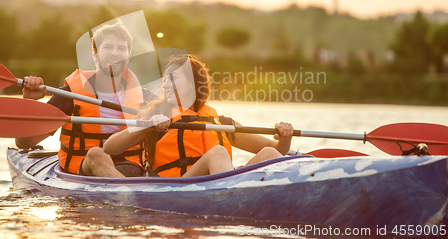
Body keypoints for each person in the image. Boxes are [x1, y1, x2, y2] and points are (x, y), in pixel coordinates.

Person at [103, 55, 294, 177]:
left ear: (194, 84)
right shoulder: (157, 116)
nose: (165, 86)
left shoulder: (220, 122)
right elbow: (109, 147)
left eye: (173, 79)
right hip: (179, 188)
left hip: (219, 184)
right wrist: (146, 126)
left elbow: (275, 149)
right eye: (164, 80)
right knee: (218, 153)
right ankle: (230, 196)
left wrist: (285, 137)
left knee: (269, 154)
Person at [15, 21, 157, 177]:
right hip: (83, 170)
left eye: (121, 48)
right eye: (108, 47)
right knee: (96, 154)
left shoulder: (147, 99)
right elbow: (25, 143)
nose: (115, 53)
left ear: (128, 56)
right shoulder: (70, 96)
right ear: (95, 54)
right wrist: (28, 101)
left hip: (131, 168)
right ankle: (129, 196)